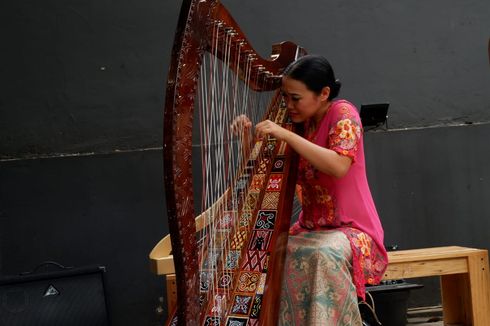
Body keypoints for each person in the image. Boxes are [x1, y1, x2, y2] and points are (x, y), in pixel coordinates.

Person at [252, 55, 388, 325]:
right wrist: (248, 136)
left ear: (324, 93)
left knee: (322, 254)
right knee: (269, 250)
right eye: (285, 98)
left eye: (295, 98)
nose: (288, 105)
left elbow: (338, 165)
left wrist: (286, 134)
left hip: (353, 229)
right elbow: (270, 169)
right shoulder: (299, 123)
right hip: (312, 227)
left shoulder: (343, 114)